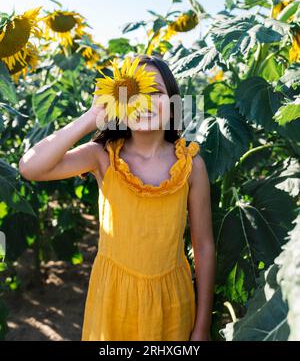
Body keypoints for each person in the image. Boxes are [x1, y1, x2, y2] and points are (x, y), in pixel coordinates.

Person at [18, 54, 215, 341]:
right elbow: (30, 167)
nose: (144, 102)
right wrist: (90, 119)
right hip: (113, 300)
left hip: (172, 300)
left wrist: (201, 327)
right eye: (133, 94)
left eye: (156, 92)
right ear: (118, 105)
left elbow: (204, 246)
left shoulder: (190, 165)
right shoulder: (103, 157)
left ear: (174, 103)